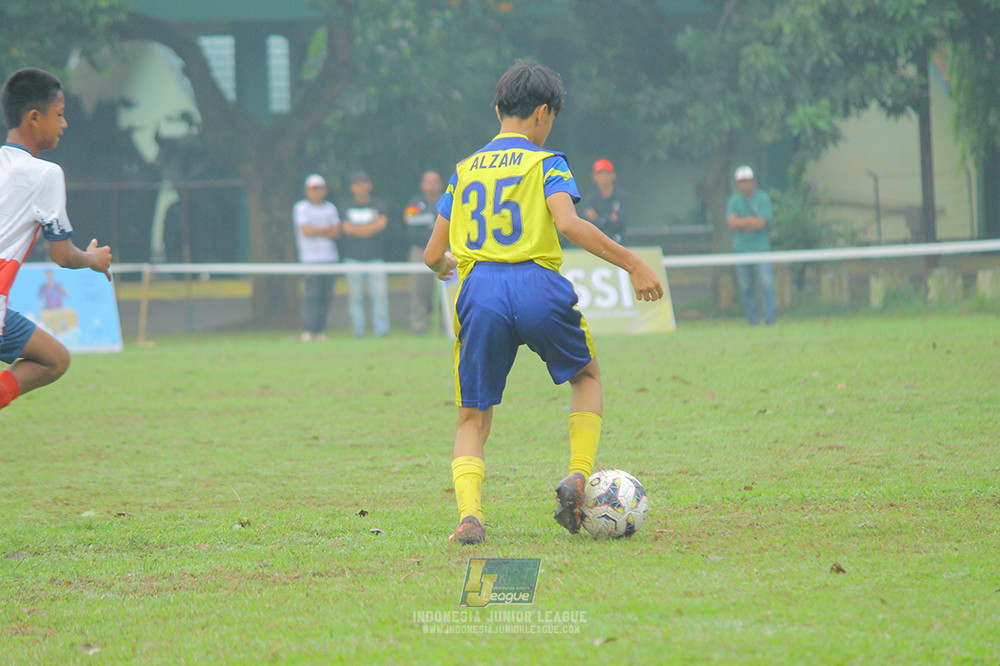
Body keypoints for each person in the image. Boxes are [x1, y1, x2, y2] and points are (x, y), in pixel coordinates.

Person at [423, 59, 664, 545]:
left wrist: (449, 264)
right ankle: (578, 475)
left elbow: (432, 254)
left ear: (497, 109)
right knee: (587, 376)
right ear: (542, 113)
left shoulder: (463, 171)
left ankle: (470, 516)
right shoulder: (547, 162)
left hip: (481, 292)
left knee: (473, 416)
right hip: (537, 284)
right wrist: (634, 264)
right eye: (551, 118)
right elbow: (570, 225)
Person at [0, 68, 113, 412]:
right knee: (53, 361)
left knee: (54, 357)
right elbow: (62, 255)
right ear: (35, 117)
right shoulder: (46, 174)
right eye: (60, 115)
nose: (64, 125)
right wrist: (93, 260)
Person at [339, 172, 390, 338]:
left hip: (376, 258)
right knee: (355, 298)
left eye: (363, 182)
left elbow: (381, 225)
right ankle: (358, 332)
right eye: (356, 183)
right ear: (352, 188)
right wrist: (370, 228)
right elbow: (347, 230)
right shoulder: (345, 206)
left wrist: (357, 230)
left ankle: (381, 332)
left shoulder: (379, 205)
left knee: (380, 297)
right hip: (352, 259)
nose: (360, 186)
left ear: (369, 185)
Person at [726, 165, 777, 326]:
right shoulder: (733, 200)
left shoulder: (763, 198)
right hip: (741, 249)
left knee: (767, 284)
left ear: (754, 181)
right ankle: (752, 320)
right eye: (741, 182)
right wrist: (750, 222)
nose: (744, 185)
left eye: (747, 181)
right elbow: (731, 223)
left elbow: (762, 223)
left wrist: (742, 221)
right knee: (746, 286)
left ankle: (770, 319)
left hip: (761, 249)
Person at [293, 174, 341, 341]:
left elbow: (335, 232)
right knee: (312, 295)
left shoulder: (331, 208)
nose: (317, 192)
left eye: (320, 188)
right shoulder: (301, 208)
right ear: (307, 191)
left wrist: (317, 230)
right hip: (310, 259)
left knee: (325, 295)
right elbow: (306, 230)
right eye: (313, 189)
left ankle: (319, 329)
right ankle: (309, 329)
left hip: (330, 258)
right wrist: (325, 229)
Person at [403, 170, 444, 335]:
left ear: (440, 184)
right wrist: (433, 219)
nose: (431, 185)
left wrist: (428, 220)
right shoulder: (414, 203)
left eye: (435, 181)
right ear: (422, 185)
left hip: (445, 249)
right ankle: (418, 328)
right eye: (428, 181)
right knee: (419, 291)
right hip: (420, 250)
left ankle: (448, 328)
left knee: (448, 290)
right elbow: (410, 221)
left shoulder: (447, 199)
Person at [581, 158, 628, 243]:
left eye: (607, 173)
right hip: (596, 240)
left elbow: (620, 222)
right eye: (600, 173)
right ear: (594, 177)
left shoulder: (621, 195)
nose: (604, 177)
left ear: (613, 175)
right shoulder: (590, 198)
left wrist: (598, 218)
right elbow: (588, 223)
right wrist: (609, 218)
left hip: (617, 240)